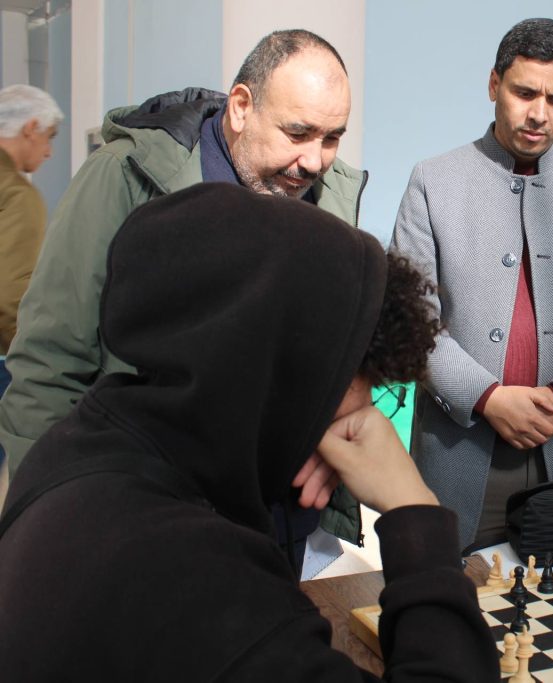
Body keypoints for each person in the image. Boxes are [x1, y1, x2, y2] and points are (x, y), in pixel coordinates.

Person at [0, 183, 499, 681]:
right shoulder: (199, 584)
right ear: (285, 364)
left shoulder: (80, 445)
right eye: (356, 372)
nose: (367, 411)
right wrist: (414, 509)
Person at [0, 29, 367, 544]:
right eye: (298, 132)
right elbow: (49, 364)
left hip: (280, 523)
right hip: (140, 516)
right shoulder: (125, 176)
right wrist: (52, 521)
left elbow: (332, 357)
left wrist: (340, 417)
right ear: (241, 107)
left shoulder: (328, 196)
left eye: (331, 138)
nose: (314, 160)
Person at [390, 18, 553, 552]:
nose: (539, 114)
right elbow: (408, 319)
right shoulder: (432, 181)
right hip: (462, 449)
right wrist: (486, 397)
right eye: (525, 93)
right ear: (494, 85)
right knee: (456, 591)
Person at [0, 84, 62, 507]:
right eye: (49, 137)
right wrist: (32, 360)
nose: (49, 151)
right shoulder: (17, 195)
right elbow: (10, 295)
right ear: (31, 128)